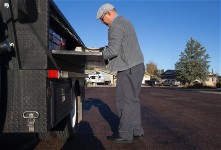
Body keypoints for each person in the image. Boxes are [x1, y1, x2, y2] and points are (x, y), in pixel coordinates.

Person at [96, 3, 145, 143]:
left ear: (109, 13)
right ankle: (136, 131)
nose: (101, 21)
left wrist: (97, 55)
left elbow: (113, 51)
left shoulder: (115, 25)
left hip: (128, 68)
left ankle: (125, 134)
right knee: (133, 101)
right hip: (137, 65)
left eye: (102, 18)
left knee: (124, 101)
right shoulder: (126, 21)